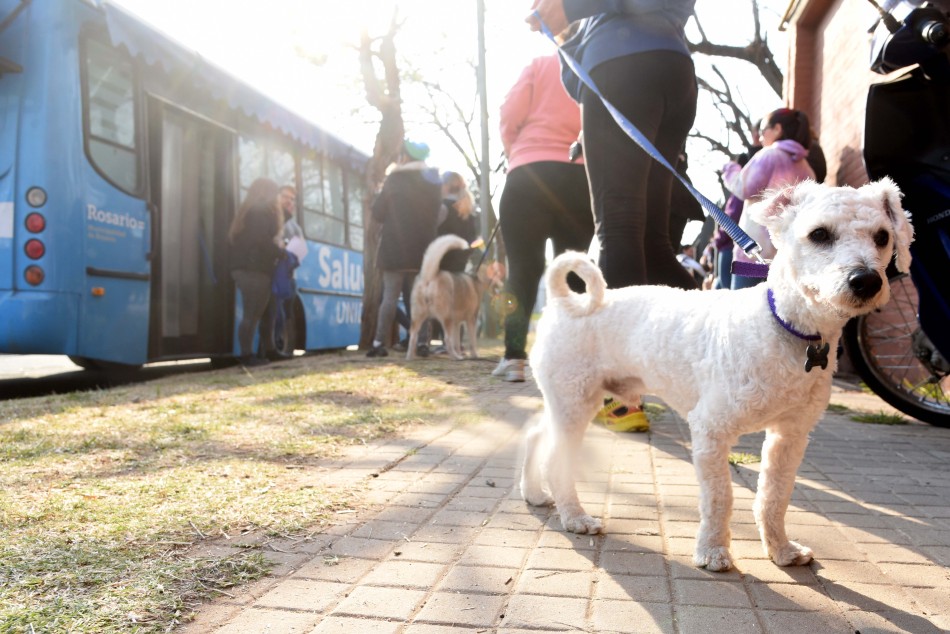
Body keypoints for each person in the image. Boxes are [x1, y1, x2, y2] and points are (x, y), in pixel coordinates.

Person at [527, 0, 699, 292]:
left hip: (622, 63)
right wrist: (564, 29)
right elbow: (576, 79)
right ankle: (705, 334)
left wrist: (570, 7)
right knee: (651, 242)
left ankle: (620, 339)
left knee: (619, 228)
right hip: (676, 70)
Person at [492, 51, 595, 385]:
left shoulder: (539, 64)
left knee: (522, 268)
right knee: (575, 271)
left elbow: (510, 112)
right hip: (579, 176)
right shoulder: (593, 64)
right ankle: (573, 361)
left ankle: (514, 358)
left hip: (527, 174)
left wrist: (514, 150)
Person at [724, 107, 817, 289]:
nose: (760, 137)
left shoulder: (768, 155)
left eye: (763, 130)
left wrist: (730, 168)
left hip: (752, 255)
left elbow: (742, 188)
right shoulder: (808, 170)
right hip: (787, 261)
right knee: (776, 312)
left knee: (743, 311)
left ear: (777, 129)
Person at [366, 139, 442, 358]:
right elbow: (438, 214)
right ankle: (421, 344)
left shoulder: (395, 179)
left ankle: (379, 343)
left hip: (394, 249)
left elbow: (379, 213)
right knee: (421, 298)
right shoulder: (434, 181)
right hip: (422, 249)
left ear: (404, 157)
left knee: (389, 298)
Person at [229, 177, 285, 367]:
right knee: (251, 313)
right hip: (253, 269)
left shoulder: (250, 210)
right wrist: (281, 253)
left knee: (264, 312)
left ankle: (269, 350)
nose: (277, 198)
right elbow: (261, 240)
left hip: (249, 268)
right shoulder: (259, 212)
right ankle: (246, 355)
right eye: (276, 194)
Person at [258, 184, 306, 359]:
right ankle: (267, 348)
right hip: (273, 274)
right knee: (273, 312)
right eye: (285, 197)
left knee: (286, 313)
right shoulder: (271, 218)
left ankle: (278, 345)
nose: (289, 201)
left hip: (288, 276)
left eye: (292, 199)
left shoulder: (295, 226)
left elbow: (300, 249)